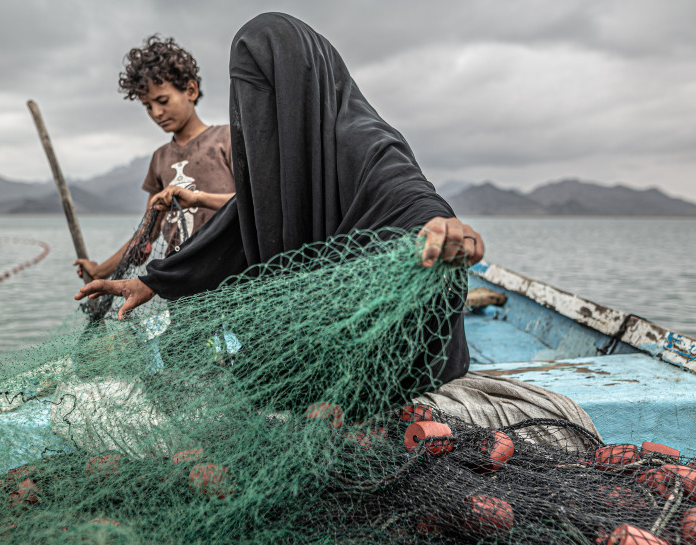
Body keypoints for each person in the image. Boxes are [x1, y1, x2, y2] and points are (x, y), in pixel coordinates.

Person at [76, 13, 484, 390]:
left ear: (299, 86)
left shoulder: (363, 140)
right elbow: (238, 223)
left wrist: (440, 223)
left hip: (380, 351)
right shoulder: (273, 160)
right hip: (313, 340)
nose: (257, 114)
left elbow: (407, 193)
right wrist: (154, 280)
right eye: (247, 100)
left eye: (268, 95)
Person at [74, 35, 236, 280]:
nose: (157, 113)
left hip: (231, 277)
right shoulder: (160, 159)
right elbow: (147, 234)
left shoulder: (227, 139)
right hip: (181, 282)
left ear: (191, 90)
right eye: (148, 106)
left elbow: (254, 203)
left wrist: (198, 198)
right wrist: (100, 271)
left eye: (162, 100)